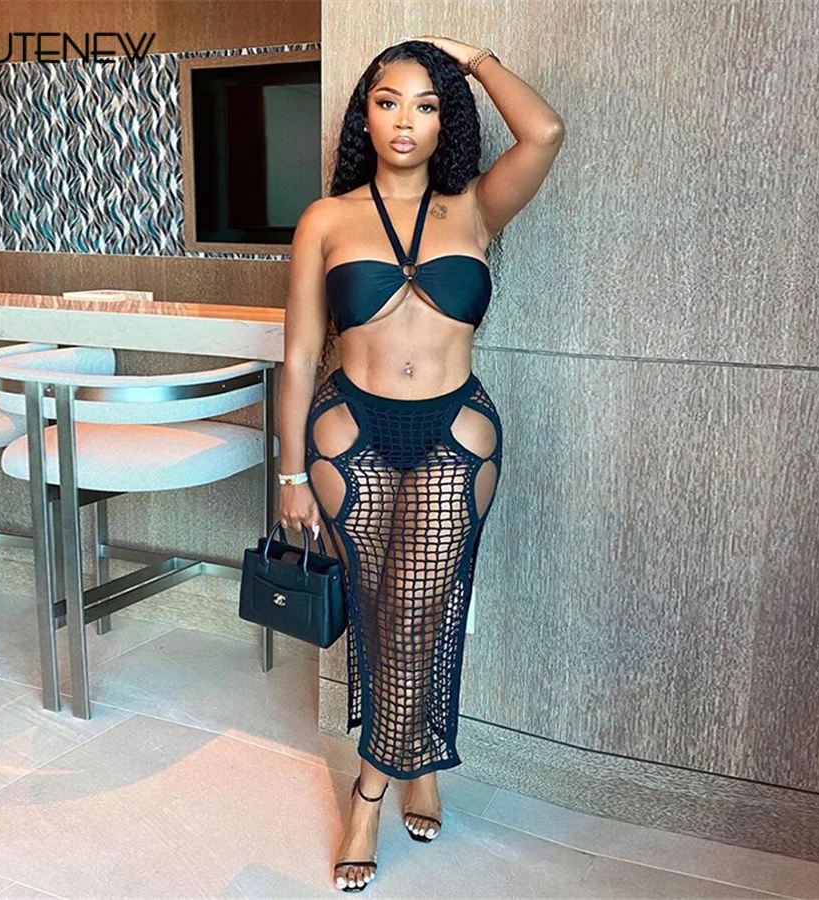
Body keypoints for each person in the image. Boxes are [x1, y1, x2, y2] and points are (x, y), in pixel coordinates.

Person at [277, 35, 564, 891]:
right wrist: (288, 474)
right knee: (377, 611)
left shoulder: (476, 206)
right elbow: (299, 356)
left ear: (447, 121)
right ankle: (423, 760)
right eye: (388, 101)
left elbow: (545, 132)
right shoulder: (326, 220)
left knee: (416, 609)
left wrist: (473, 59)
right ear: (364, 117)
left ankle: (370, 791)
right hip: (348, 434)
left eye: (426, 104)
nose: (405, 120)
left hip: (455, 433)